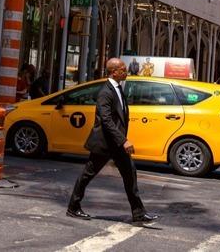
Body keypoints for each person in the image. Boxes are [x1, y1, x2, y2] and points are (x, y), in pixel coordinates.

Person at [67, 57, 158, 224]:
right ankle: (73, 207)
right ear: (114, 72)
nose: (126, 71)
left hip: (116, 144)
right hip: (105, 143)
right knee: (87, 174)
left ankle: (138, 213)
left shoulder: (117, 89)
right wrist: (123, 140)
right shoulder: (105, 92)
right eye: (122, 69)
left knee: (130, 174)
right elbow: (106, 120)